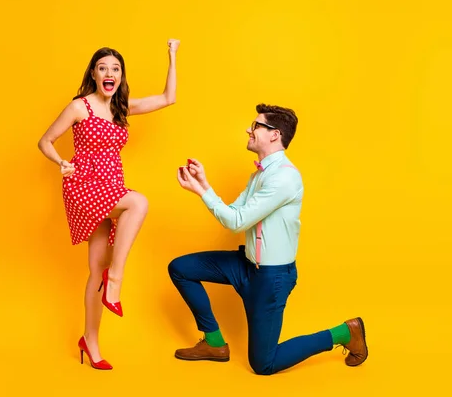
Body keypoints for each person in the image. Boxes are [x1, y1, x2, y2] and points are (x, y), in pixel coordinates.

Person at [170, 103, 368, 375]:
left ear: (274, 134)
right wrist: (203, 184)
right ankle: (214, 344)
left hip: (271, 278)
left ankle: (345, 333)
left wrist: (201, 193)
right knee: (180, 268)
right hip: (246, 266)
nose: (248, 130)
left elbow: (235, 222)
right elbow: (236, 212)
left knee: (264, 364)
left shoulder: (284, 178)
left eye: (256, 125)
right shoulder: (259, 175)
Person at [38, 39, 180, 370]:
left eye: (115, 69)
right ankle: (116, 280)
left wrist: (172, 55)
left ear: (120, 76)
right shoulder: (79, 107)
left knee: (94, 270)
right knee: (139, 203)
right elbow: (45, 140)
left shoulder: (121, 107)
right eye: (103, 67)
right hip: (84, 183)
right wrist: (60, 161)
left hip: (110, 184)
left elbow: (168, 98)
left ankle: (91, 340)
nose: (109, 73)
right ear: (93, 72)